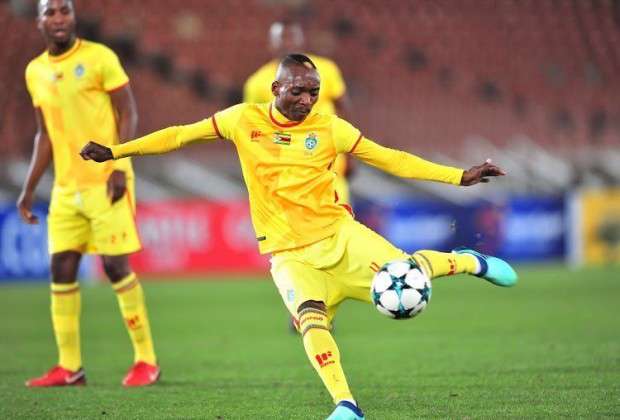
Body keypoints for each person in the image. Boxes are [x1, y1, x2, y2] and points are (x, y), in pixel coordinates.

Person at [80, 54, 518, 419]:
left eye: (313, 92)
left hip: (340, 237)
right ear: (275, 89)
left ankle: (468, 261)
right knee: (310, 320)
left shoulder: (331, 128)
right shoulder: (242, 120)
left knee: (405, 277)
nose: (307, 100)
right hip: (288, 254)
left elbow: (391, 159)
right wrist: (116, 152)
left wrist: (458, 176)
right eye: (298, 91)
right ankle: (346, 405)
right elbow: (179, 136)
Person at [18, 0, 159, 387]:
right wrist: (28, 189)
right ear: (39, 21)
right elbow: (44, 135)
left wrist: (119, 164)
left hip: (105, 181)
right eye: (50, 12)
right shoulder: (35, 71)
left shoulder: (100, 58)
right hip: (65, 189)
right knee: (61, 269)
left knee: (115, 267)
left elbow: (128, 112)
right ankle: (70, 367)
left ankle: (146, 360)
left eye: (64, 10)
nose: (58, 18)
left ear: (74, 16)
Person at [244, 20, 354, 206]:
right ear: (272, 44)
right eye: (282, 39)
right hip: (288, 176)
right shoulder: (257, 84)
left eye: (292, 38)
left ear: (301, 41)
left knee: (337, 221)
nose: (287, 44)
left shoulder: (326, 70)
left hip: (329, 170)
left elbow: (342, 107)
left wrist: (350, 154)